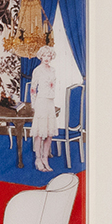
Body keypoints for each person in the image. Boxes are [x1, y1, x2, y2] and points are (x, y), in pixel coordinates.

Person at [27, 20, 85, 173]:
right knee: (39, 133)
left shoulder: (52, 70)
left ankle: (46, 158)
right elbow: (33, 89)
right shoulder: (37, 71)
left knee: (49, 134)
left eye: (49, 55)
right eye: (44, 55)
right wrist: (33, 106)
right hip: (40, 103)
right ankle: (38, 159)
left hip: (50, 103)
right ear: (40, 57)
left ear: (51, 57)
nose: (46, 58)